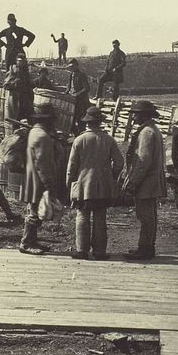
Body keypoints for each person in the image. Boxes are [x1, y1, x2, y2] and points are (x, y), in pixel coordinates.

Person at [66, 107, 124, 260]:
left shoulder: (79, 140)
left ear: (87, 123)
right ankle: (99, 251)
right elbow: (119, 162)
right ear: (100, 122)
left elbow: (72, 166)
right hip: (102, 185)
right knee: (100, 217)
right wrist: (111, 175)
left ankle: (81, 250)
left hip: (83, 184)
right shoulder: (108, 139)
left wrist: (69, 182)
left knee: (82, 215)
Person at [122, 100, 167, 260]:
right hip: (151, 180)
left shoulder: (146, 133)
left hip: (146, 182)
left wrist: (133, 182)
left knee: (145, 216)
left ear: (144, 115)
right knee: (150, 216)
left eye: (136, 113)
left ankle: (145, 248)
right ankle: (148, 247)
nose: (133, 117)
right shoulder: (152, 130)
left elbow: (143, 161)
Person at [20, 105, 59, 255]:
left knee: (33, 209)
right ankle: (26, 243)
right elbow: (43, 164)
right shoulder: (43, 137)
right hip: (39, 180)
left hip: (31, 178)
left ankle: (32, 241)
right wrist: (49, 184)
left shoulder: (33, 132)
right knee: (34, 212)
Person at [3, 53, 33, 123]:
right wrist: (16, 82)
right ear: (17, 61)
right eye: (19, 61)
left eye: (23, 61)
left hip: (25, 100)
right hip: (15, 100)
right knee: (15, 120)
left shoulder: (26, 72)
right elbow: (6, 85)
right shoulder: (13, 70)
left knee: (25, 121)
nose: (21, 63)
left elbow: (28, 85)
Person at [66, 58, 91, 131]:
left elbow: (87, 88)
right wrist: (67, 91)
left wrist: (77, 94)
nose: (71, 68)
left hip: (81, 103)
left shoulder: (81, 75)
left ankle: (80, 136)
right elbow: (69, 86)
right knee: (71, 121)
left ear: (77, 66)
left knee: (81, 121)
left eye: (73, 66)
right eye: (70, 66)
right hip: (73, 102)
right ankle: (76, 136)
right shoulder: (71, 75)